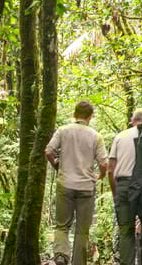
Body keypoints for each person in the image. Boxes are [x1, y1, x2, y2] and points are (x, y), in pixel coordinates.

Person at [45, 101, 107, 265]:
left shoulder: (63, 131)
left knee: (62, 225)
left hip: (65, 184)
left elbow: (48, 151)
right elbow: (104, 163)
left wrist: (57, 165)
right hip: (86, 187)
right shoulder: (96, 136)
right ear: (91, 116)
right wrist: (99, 176)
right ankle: (78, 262)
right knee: (81, 230)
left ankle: (60, 256)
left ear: (74, 114)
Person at [108, 108, 142, 265]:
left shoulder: (120, 137)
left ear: (133, 120)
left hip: (123, 185)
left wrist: (115, 192)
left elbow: (111, 169)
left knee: (126, 231)